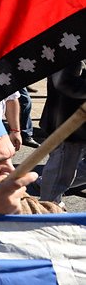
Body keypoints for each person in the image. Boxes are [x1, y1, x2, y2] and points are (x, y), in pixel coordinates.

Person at [38, 61, 86, 204]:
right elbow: (63, 82)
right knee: (61, 171)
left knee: (62, 172)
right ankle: (49, 209)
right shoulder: (73, 46)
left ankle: (47, 184)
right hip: (68, 122)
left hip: (76, 122)